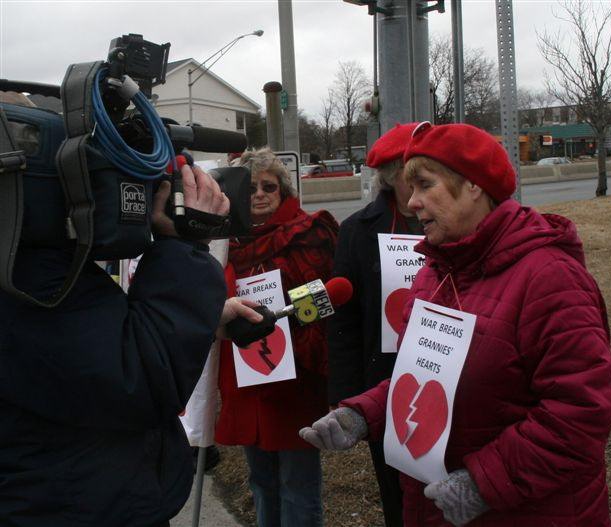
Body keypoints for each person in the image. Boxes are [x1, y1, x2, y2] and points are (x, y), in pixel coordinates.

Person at [301, 122, 611, 527]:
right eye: (410, 189)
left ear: (474, 186)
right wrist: (363, 413)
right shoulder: (435, 271)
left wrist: (484, 483)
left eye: (425, 186)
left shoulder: (550, 277)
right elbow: (424, 375)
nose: (412, 203)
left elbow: (580, 413)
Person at [0, 163, 263, 527]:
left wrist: (205, 316)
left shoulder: (25, 264)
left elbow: (101, 345)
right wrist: (185, 244)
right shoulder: (31, 277)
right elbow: (141, 378)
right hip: (74, 507)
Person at [215, 147, 339, 527]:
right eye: (250, 187)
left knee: (296, 483)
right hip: (246, 373)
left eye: (269, 186)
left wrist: (286, 310)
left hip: (294, 375)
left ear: (283, 190)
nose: (259, 194)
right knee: (261, 480)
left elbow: (325, 300)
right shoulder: (223, 242)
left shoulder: (308, 233)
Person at [328, 122, 420, 527]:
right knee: (397, 492)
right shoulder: (356, 231)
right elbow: (343, 318)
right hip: (384, 379)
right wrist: (348, 394)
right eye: (414, 168)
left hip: (444, 372)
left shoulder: (456, 220)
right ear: (392, 175)